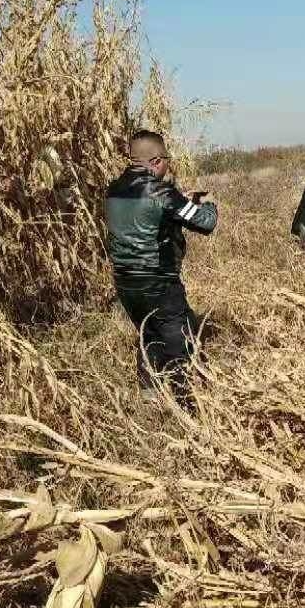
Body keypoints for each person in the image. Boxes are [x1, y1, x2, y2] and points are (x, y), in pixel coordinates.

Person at [105, 130, 218, 408]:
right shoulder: (160, 190)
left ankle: (150, 399)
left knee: (149, 335)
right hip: (158, 281)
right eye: (166, 159)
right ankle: (189, 405)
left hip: (125, 282)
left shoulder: (114, 189)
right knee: (181, 340)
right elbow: (205, 222)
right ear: (156, 161)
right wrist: (208, 203)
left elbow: (144, 219)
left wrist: (179, 200)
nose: (168, 165)